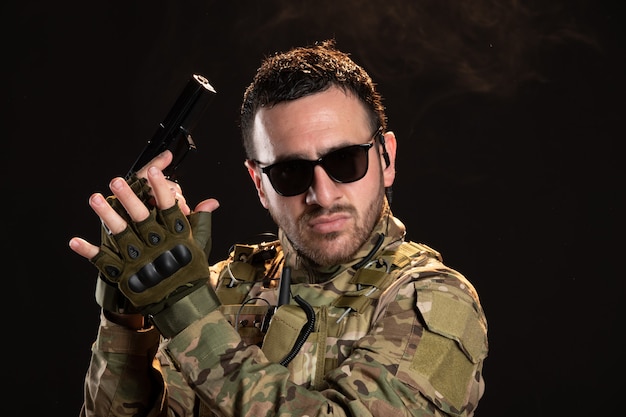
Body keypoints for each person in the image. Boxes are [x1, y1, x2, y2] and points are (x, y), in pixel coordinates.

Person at [69, 39, 488, 417]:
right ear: (259, 184)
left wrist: (187, 314)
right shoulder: (215, 288)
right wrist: (126, 320)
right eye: (290, 172)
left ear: (386, 158)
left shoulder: (432, 298)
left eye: (345, 161)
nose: (322, 195)